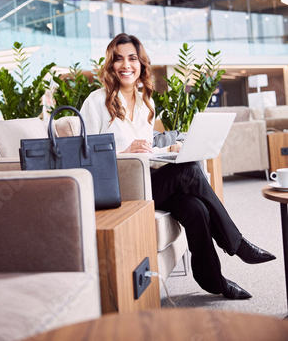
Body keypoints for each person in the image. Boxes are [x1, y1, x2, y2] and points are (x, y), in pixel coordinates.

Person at [80, 33, 275, 300]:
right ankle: (237, 244)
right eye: (118, 59)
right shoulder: (95, 102)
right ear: (111, 65)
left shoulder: (146, 102)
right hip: (120, 188)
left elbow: (145, 149)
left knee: (195, 209)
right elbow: (86, 156)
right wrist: (123, 152)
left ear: (141, 64)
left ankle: (214, 281)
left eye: (132, 58)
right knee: (189, 170)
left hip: (147, 180)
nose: (126, 65)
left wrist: (167, 149)